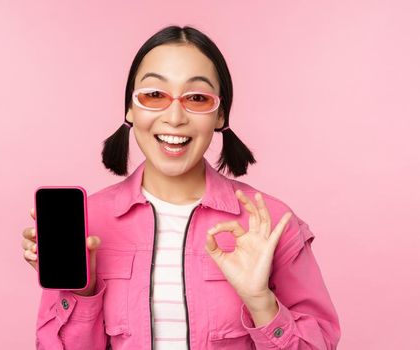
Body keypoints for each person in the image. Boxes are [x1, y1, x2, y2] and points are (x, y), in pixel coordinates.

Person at [21, 25, 340, 349]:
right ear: (130, 109)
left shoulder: (269, 222)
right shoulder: (87, 223)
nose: (174, 117)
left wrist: (261, 302)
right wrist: (81, 292)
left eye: (197, 98)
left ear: (220, 115)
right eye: (154, 95)